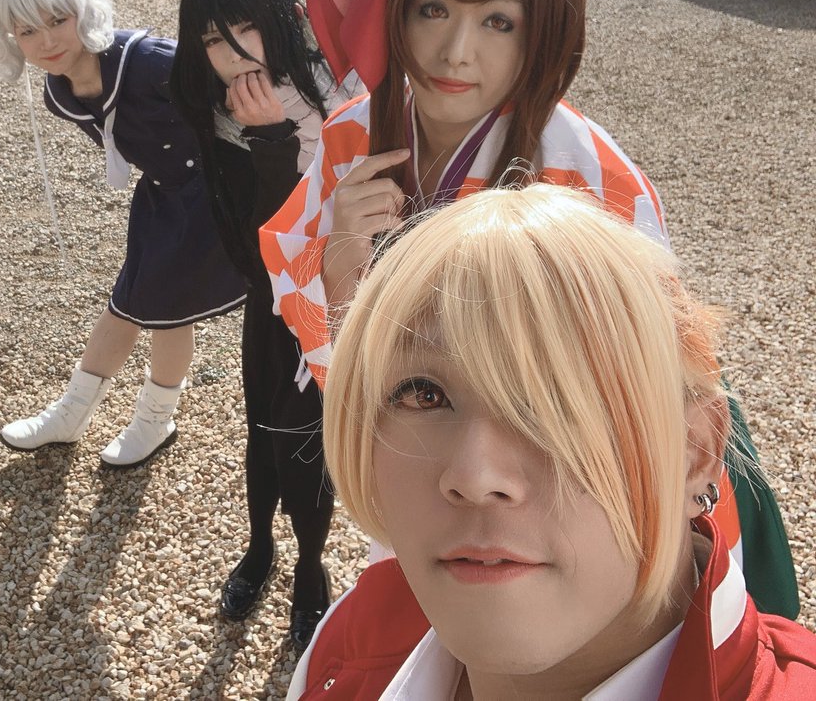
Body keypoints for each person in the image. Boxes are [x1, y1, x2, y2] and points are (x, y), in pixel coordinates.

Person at [260, 0, 798, 617]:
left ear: (541, 33)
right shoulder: (350, 138)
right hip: (416, 458)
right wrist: (343, 276)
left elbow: (634, 393)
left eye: (498, 22)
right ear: (398, 9)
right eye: (434, 9)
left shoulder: (590, 179)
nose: (455, 53)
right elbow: (339, 362)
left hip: (550, 495)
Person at [287, 184, 816, 700]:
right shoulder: (349, 637)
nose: (475, 476)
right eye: (423, 394)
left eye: (562, 397)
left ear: (695, 452)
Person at [0, 0, 246, 468]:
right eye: (28, 31)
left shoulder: (150, 60)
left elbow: (235, 89)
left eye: (58, 20)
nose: (47, 42)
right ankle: (83, 413)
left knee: (160, 309)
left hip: (219, 193)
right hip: (164, 196)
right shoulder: (60, 93)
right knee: (134, 303)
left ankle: (146, 417)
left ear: (84, 9)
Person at [171, 0, 361, 648]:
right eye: (212, 38)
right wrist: (266, 140)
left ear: (280, 19)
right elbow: (256, 252)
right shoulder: (217, 114)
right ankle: (259, 547)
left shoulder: (338, 89)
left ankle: (310, 568)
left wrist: (280, 138)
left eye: (244, 27)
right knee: (260, 431)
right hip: (269, 299)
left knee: (306, 441)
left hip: (335, 297)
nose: (232, 52)